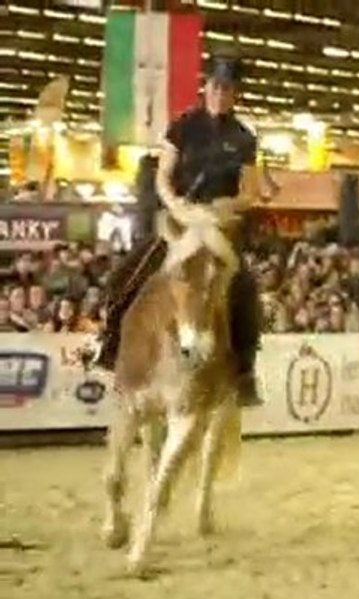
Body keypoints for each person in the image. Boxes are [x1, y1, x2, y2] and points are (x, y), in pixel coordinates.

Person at [94, 53, 263, 406]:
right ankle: (108, 346)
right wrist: (175, 204)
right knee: (126, 274)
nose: (221, 93)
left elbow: (249, 192)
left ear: (236, 93)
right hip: (179, 219)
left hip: (217, 224)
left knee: (246, 287)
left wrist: (226, 206)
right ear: (206, 87)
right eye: (216, 86)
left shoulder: (244, 138)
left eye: (228, 88)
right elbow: (162, 178)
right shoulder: (182, 126)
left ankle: (244, 371)